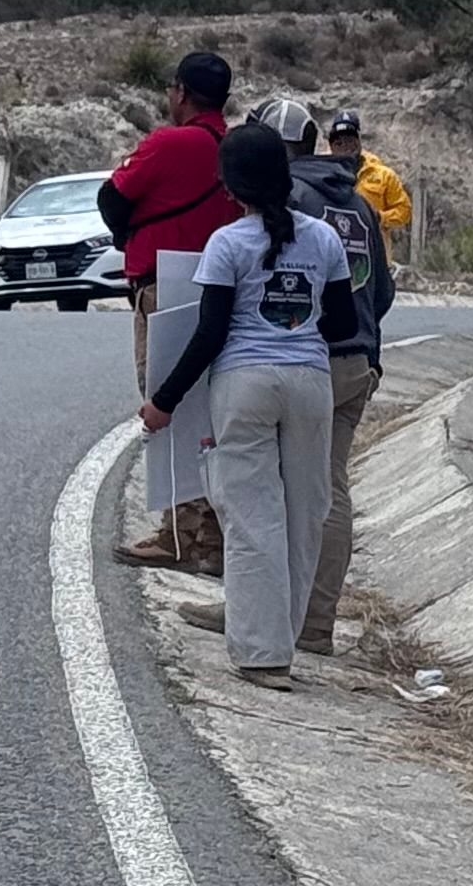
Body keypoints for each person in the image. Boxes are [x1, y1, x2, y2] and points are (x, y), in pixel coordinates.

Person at [139, 121, 363, 691]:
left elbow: (209, 333)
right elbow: (340, 323)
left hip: (244, 386)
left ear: (229, 189)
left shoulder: (227, 244)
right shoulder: (323, 240)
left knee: (251, 518)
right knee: (304, 514)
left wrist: (163, 401)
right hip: (311, 384)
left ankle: (264, 656)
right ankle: (286, 636)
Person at [99, 48, 243, 571]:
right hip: (227, 289)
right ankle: (214, 535)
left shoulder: (169, 144)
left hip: (167, 288)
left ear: (180, 92)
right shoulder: (235, 148)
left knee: (168, 404)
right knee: (214, 414)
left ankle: (178, 535)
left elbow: (112, 197)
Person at [274, 94, 396, 655]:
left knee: (278, 488)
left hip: (309, 358)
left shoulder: (290, 198)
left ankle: (270, 613)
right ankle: (316, 620)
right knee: (331, 486)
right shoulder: (361, 204)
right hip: (358, 359)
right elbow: (383, 290)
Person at [330, 109, 411, 259]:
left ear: (359, 140)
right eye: (339, 142)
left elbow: (404, 210)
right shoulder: (322, 174)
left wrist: (381, 218)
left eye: (350, 139)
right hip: (333, 257)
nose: (345, 146)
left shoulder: (384, 175)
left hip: (374, 259)